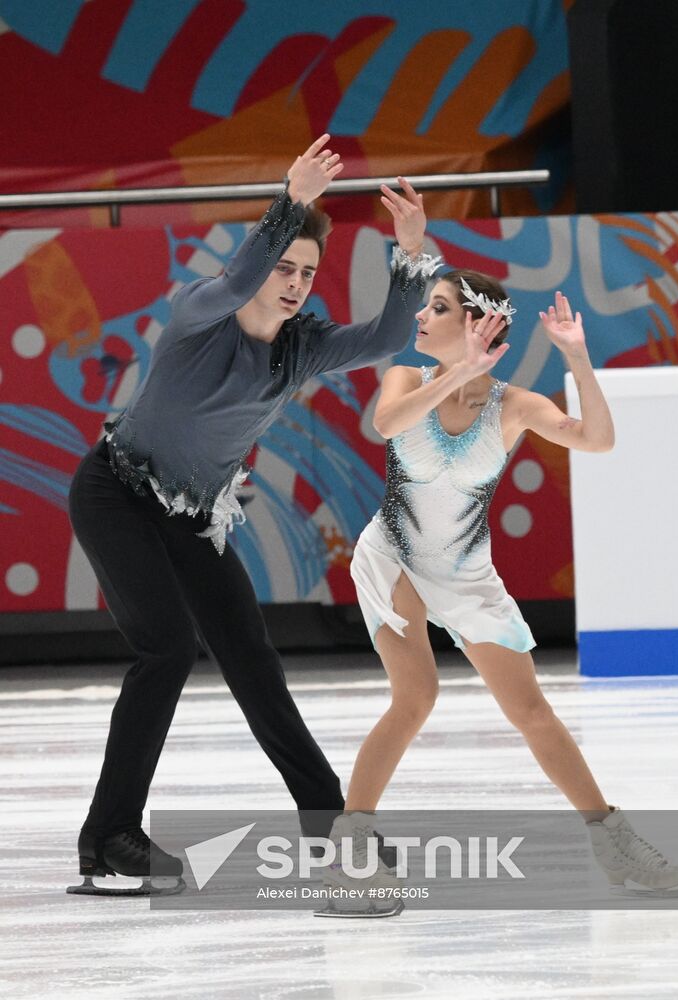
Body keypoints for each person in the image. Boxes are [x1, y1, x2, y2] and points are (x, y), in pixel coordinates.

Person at [66, 134, 441, 896]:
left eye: (307, 272)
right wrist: (291, 201)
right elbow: (239, 275)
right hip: (115, 494)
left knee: (254, 662)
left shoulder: (300, 349)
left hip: (193, 516)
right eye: (285, 267)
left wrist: (412, 251)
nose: (296, 283)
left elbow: (391, 338)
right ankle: (108, 837)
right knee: (167, 648)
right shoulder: (202, 311)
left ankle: (333, 827)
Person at [322, 272, 678, 915]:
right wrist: (454, 370)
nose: (420, 318)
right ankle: (350, 856)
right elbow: (386, 425)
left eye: (437, 308)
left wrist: (577, 356)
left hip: (465, 572)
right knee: (416, 698)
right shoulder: (407, 380)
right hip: (395, 557)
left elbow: (598, 440)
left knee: (532, 713)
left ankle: (614, 841)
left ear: (474, 325)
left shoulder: (513, 406)